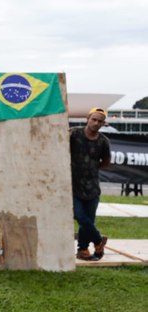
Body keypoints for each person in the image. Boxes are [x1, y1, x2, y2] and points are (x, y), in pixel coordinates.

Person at [69, 107, 111, 261]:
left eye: (100, 121)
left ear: (103, 124)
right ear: (87, 118)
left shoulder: (103, 142)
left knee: (88, 220)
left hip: (92, 187)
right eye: (93, 119)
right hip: (73, 185)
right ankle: (99, 240)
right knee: (80, 216)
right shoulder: (74, 134)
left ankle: (83, 250)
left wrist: (91, 168)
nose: (96, 123)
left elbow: (106, 162)